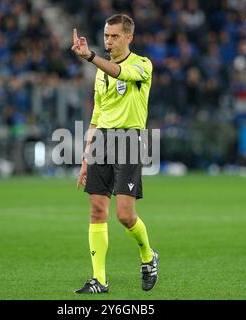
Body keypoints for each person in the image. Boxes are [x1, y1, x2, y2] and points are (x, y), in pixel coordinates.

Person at [71, 14, 158, 294]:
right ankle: (99, 280)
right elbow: (97, 115)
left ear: (129, 37)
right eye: (106, 36)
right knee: (97, 210)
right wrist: (86, 157)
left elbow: (120, 72)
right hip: (102, 141)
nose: (109, 41)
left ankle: (148, 256)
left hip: (129, 140)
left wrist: (90, 56)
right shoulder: (100, 72)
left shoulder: (143, 65)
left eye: (115, 36)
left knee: (124, 215)